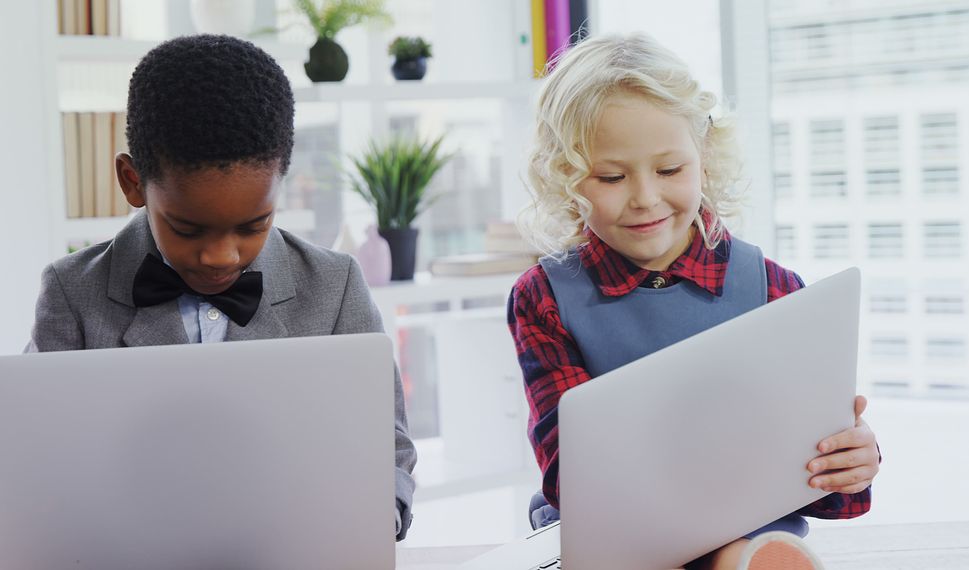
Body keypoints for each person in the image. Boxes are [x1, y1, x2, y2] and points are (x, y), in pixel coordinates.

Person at [507, 32, 880, 569]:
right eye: (611, 176)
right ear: (564, 177)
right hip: (610, 538)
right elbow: (575, 480)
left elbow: (828, 489)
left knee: (747, 552)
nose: (645, 197)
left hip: (747, 535)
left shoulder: (775, 289)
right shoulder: (543, 298)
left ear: (704, 158)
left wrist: (851, 460)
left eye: (670, 169)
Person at [26, 35, 417, 540]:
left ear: (280, 182)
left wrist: (371, 516)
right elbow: (37, 456)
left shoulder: (334, 285)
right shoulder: (71, 295)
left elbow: (388, 445)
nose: (221, 257)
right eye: (188, 229)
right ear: (131, 181)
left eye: (253, 224)